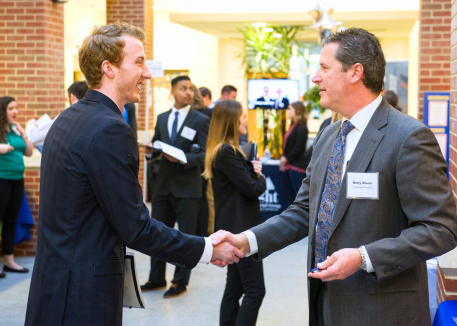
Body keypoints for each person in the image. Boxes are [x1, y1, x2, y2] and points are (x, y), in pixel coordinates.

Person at [212, 28, 457, 326]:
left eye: (324, 68)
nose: (315, 78)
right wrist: (246, 240)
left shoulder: (408, 137)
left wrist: (364, 257)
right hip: (325, 303)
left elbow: (441, 229)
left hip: (383, 312)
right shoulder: (329, 136)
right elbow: (304, 211)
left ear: (355, 72)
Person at [25, 22, 243, 326]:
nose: (147, 73)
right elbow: (136, 228)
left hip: (52, 285)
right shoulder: (111, 129)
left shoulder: (67, 118)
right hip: (83, 295)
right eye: (138, 62)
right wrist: (207, 248)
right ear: (109, 69)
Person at [141, 75, 210, 299]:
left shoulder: (200, 120)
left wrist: (181, 158)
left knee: (186, 237)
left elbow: (204, 155)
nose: (188, 93)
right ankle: (156, 278)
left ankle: (180, 281)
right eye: (183, 89)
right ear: (172, 92)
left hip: (188, 188)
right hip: (163, 187)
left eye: (191, 89)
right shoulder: (161, 118)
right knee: (156, 234)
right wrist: (151, 151)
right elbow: (157, 142)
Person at [204, 99, 266, 326]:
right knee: (255, 290)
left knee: (235, 286)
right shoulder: (227, 152)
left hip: (234, 225)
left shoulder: (223, 151)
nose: (245, 120)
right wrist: (259, 175)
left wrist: (251, 172)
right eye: (241, 116)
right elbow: (253, 188)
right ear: (231, 120)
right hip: (241, 229)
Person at [0, 96, 33, 279]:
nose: (15, 112)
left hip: (17, 182)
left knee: (11, 221)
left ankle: (9, 261)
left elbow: (28, 153)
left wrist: (24, 134)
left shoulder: (15, 129)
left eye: (16, 108)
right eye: (11, 108)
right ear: (3, 111)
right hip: (1, 181)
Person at [26, 81, 89, 151]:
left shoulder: (66, 117)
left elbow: (34, 137)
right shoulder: (94, 115)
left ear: (72, 97)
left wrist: (30, 124)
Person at [280, 101, 309, 194]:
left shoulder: (302, 128)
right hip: (290, 165)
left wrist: (286, 159)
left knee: (297, 196)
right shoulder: (293, 125)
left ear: (297, 111)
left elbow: (298, 148)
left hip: (296, 166)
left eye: (290, 109)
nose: (288, 111)